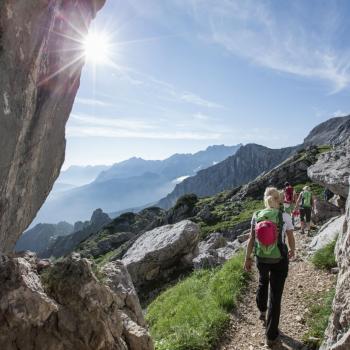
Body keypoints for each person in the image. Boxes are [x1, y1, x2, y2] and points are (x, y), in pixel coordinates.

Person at [244, 187, 295, 348]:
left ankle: (261, 310)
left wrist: (248, 258)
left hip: (261, 258)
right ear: (279, 199)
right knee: (276, 295)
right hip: (280, 259)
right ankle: (271, 336)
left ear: (265, 199)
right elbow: (290, 236)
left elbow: (252, 238)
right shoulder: (284, 216)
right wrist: (292, 250)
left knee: (262, 281)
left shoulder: (256, 215)